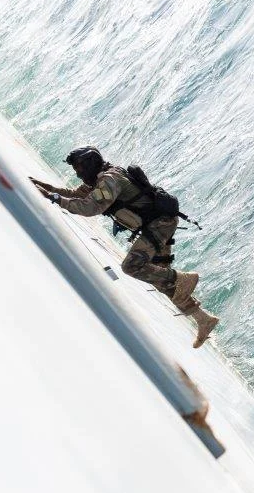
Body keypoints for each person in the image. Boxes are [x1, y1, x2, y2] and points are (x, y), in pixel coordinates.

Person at [31, 147, 219, 348]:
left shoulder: (109, 180)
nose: (77, 173)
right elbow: (77, 195)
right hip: (155, 223)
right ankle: (203, 320)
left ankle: (182, 278)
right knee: (158, 278)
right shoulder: (100, 179)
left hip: (160, 224)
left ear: (90, 164)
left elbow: (89, 207)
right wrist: (48, 189)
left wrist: (54, 199)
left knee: (131, 266)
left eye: (79, 168)